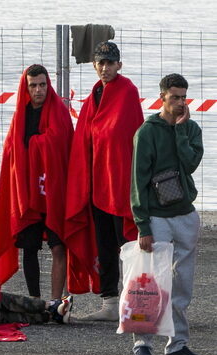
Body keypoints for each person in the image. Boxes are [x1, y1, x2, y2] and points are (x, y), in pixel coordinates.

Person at [64, 41, 144, 320]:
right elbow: (85, 140)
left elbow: (130, 141)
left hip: (121, 186)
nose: (105, 68)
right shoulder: (94, 95)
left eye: (110, 63)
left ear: (119, 65)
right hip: (97, 186)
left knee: (129, 245)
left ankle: (135, 301)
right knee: (105, 245)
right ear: (94, 65)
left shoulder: (128, 93)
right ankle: (110, 304)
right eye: (101, 63)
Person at [130, 73, 205, 355]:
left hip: (185, 214)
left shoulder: (191, 129)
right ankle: (142, 343)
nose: (179, 103)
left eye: (183, 97)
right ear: (162, 97)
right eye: (174, 97)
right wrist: (142, 225)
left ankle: (178, 345)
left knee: (182, 283)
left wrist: (180, 132)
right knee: (151, 281)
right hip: (156, 216)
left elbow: (190, 164)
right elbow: (138, 180)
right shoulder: (147, 132)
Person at [0, 64, 73, 305]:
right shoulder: (21, 115)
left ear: (49, 85)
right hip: (28, 192)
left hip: (55, 190)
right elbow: (11, 153)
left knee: (58, 246)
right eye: (33, 85)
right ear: (26, 88)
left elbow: (62, 144)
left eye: (43, 85)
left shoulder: (59, 112)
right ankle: (35, 301)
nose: (39, 90)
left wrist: (35, 144)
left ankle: (56, 301)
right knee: (30, 247)